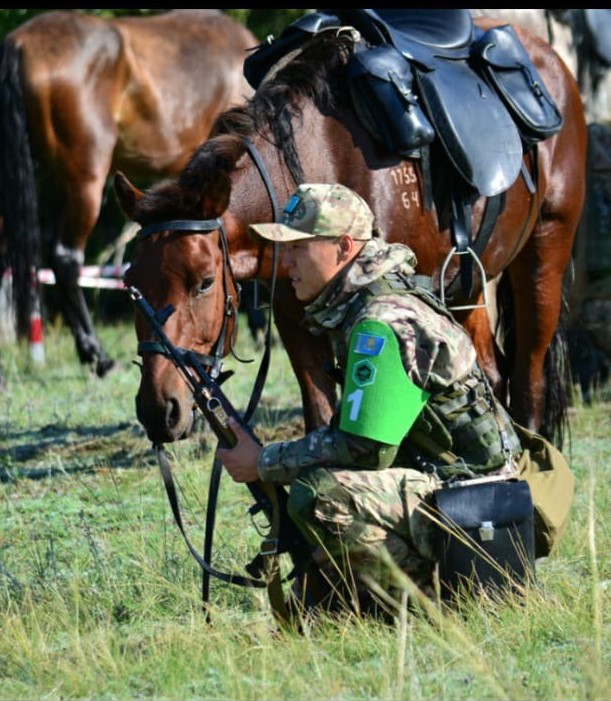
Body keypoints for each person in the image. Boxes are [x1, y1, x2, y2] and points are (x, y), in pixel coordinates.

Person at [216, 182, 567, 618]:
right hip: (465, 493)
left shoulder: (381, 323)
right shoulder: (373, 303)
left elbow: (366, 450)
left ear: (344, 247)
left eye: (298, 248)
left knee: (321, 494)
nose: (285, 264)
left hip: (476, 509)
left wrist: (264, 460)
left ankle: (434, 603)